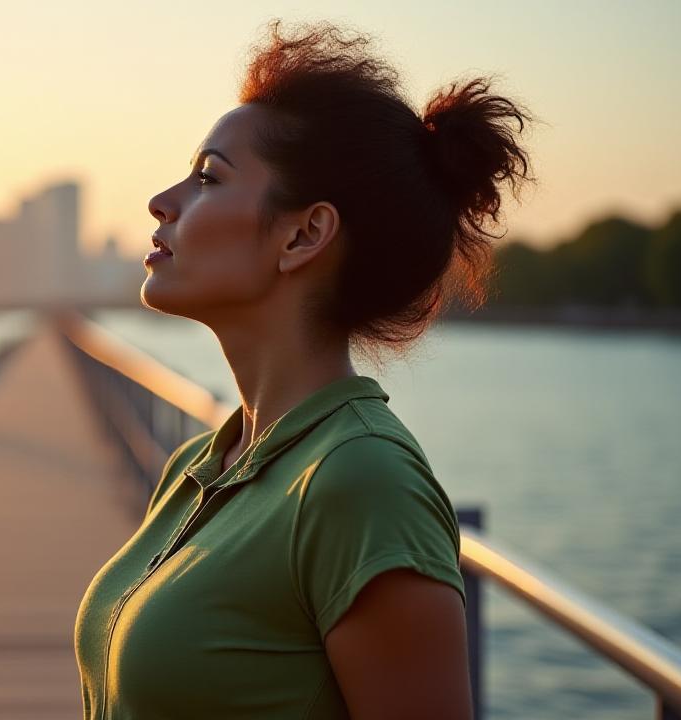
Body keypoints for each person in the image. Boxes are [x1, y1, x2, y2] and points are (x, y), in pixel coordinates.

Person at [73, 18, 535, 720]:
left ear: (303, 234)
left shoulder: (364, 484)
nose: (162, 202)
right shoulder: (204, 462)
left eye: (209, 178)